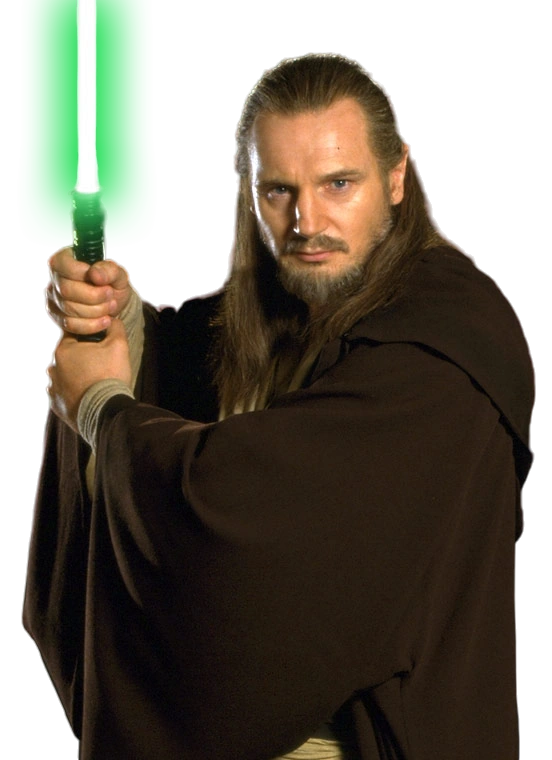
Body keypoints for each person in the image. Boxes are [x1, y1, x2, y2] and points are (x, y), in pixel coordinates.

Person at [23, 53, 533, 759]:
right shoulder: (295, 301)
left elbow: (242, 503)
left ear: (396, 177)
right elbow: (191, 366)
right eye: (278, 190)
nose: (306, 222)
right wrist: (115, 318)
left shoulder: (437, 352)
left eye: (338, 184)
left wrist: (102, 408)